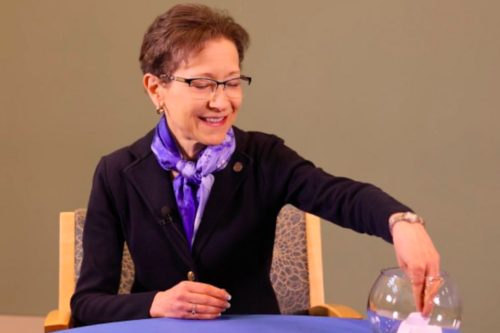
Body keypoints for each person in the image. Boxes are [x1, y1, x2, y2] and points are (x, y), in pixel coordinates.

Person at [70, 3, 440, 326]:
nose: (222, 102)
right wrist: (156, 303)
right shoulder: (117, 173)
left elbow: (340, 195)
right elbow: (87, 304)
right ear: (155, 88)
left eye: (231, 83)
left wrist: (401, 222)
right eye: (202, 83)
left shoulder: (264, 157)